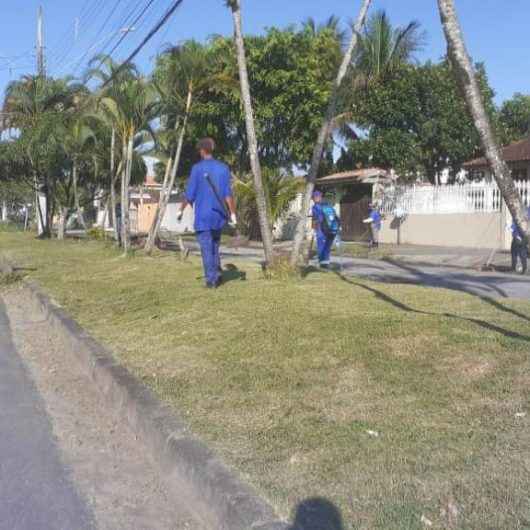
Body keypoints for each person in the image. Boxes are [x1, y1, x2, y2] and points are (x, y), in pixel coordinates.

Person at [177, 138, 237, 288]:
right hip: (218, 215)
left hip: (203, 216)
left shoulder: (197, 169)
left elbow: (190, 194)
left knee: (206, 247)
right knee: (214, 246)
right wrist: (233, 214)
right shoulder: (223, 168)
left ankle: (211, 280)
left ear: (202, 151)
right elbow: (227, 194)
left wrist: (180, 210)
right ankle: (217, 274)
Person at [312, 190, 340, 269]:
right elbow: (335, 216)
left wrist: (314, 229)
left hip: (321, 229)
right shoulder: (328, 205)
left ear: (315, 198)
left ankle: (322, 264)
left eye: (314, 197)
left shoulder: (315, 207)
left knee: (321, 246)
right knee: (327, 247)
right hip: (332, 229)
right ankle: (326, 263)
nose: (315, 199)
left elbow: (315, 219)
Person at [510, 208, 530, 275]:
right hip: (518, 235)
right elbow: (513, 225)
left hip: (522, 236)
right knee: (514, 252)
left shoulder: (525, 211)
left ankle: (524, 269)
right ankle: (515, 268)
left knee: (522, 253)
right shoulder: (523, 210)